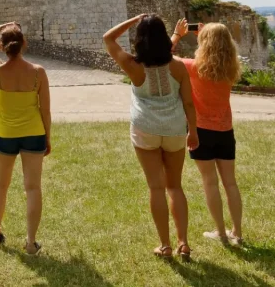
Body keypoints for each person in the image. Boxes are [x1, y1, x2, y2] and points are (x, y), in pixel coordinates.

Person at [104, 14, 199, 260]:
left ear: (139, 40)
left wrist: (132, 20)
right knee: (175, 186)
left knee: (156, 188)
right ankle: (184, 243)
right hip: (175, 129)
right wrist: (194, 132)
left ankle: (165, 245)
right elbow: (188, 103)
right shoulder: (178, 66)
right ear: (163, 38)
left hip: (145, 129)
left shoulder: (132, 65)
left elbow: (108, 38)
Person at [0, 22, 51, 255]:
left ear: (2, 47)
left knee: (0, 184)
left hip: (5, 134)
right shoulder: (38, 72)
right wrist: (48, 137)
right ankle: (30, 243)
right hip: (34, 134)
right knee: (33, 188)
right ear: (24, 43)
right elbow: (45, 110)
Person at [174, 20, 244, 245]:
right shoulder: (231, 69)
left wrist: (177, 35)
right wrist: (209, 34)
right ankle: (238, 233)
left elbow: (162, 56)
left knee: (210, 182)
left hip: (200, 130)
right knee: (230, 183)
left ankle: (221, 233)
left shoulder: (192, 67)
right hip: (225, 131)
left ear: (204, 42)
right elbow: (218, 52)